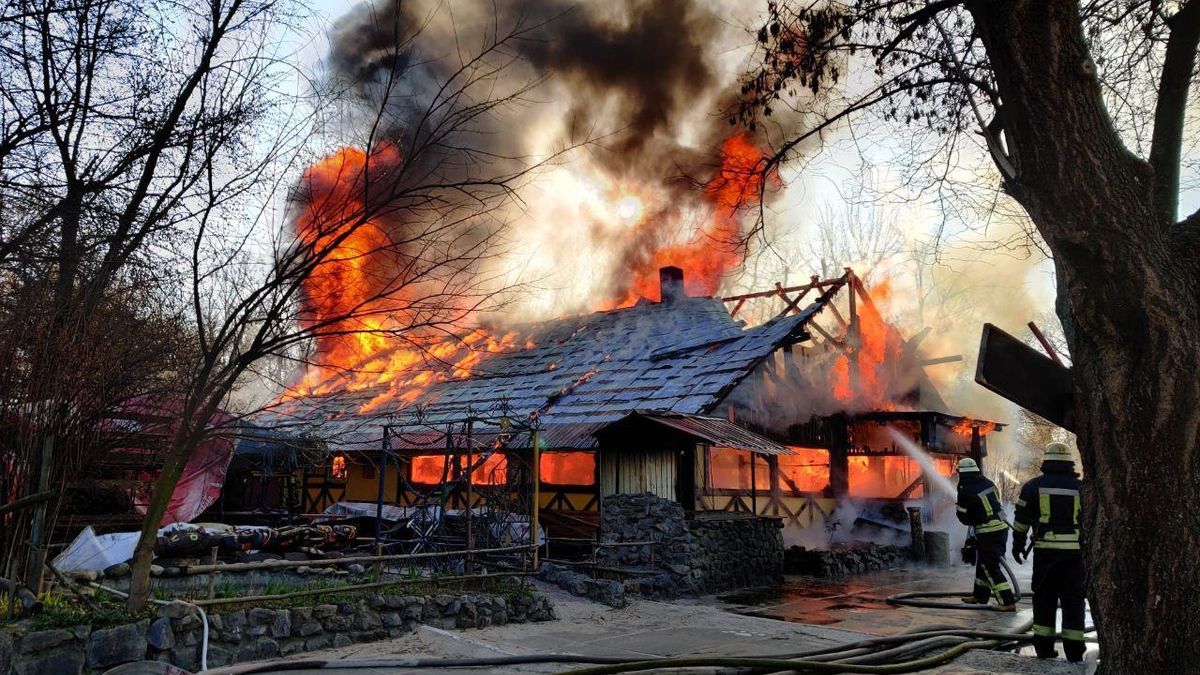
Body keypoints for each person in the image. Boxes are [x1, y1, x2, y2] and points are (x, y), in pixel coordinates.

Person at [1012, 442, 1086, 662]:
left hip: (1046, 553)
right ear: (1069, 463)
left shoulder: (1033, 486)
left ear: (1046, 462)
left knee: (1044, 600)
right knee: (1074, 601)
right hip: (1075, 554)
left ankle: (1044, 649)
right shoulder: (1082, 487)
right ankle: (1074, 651)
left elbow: (1021, 520)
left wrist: (1017, 545)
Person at [955, 457, 1016, 610]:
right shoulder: (988, 483)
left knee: (990, 566)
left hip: (988, 532)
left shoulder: (965, 491)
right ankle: (980, 595)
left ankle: (1007, 602)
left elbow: (962, 516)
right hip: (1001, 528)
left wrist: (973, 519)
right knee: (983, 563)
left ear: (961, 473)